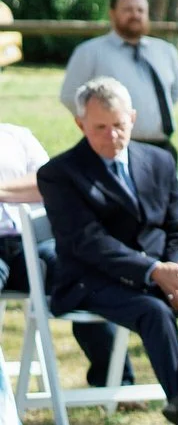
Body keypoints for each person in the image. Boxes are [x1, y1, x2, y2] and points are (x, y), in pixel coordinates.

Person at [39, 78, 178, 425]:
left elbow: (177, 225)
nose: (112, 135)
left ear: (132, 118)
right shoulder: (60, 173)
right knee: (153, 311)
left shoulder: (160, 161)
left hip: (157, 273)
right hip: (91, 280)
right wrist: (154, 271)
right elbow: (89, 243)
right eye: (100, 127)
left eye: (119, 125)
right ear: (80, 124)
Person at [0, 122, 129, 391]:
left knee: (84, 274)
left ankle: (116, 381)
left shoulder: (17, 136)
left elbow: (51, 181)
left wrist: (2, 190)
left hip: (32, 243)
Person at [59, 0, 178, 161]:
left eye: (141, 10)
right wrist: (99, 126)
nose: (135, 15)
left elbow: (174, 93)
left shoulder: (165, 51)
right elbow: (69, 95)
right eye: (128, 9)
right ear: (112, 14)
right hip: (111, 149)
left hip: (161, 148)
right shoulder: (90, 52)